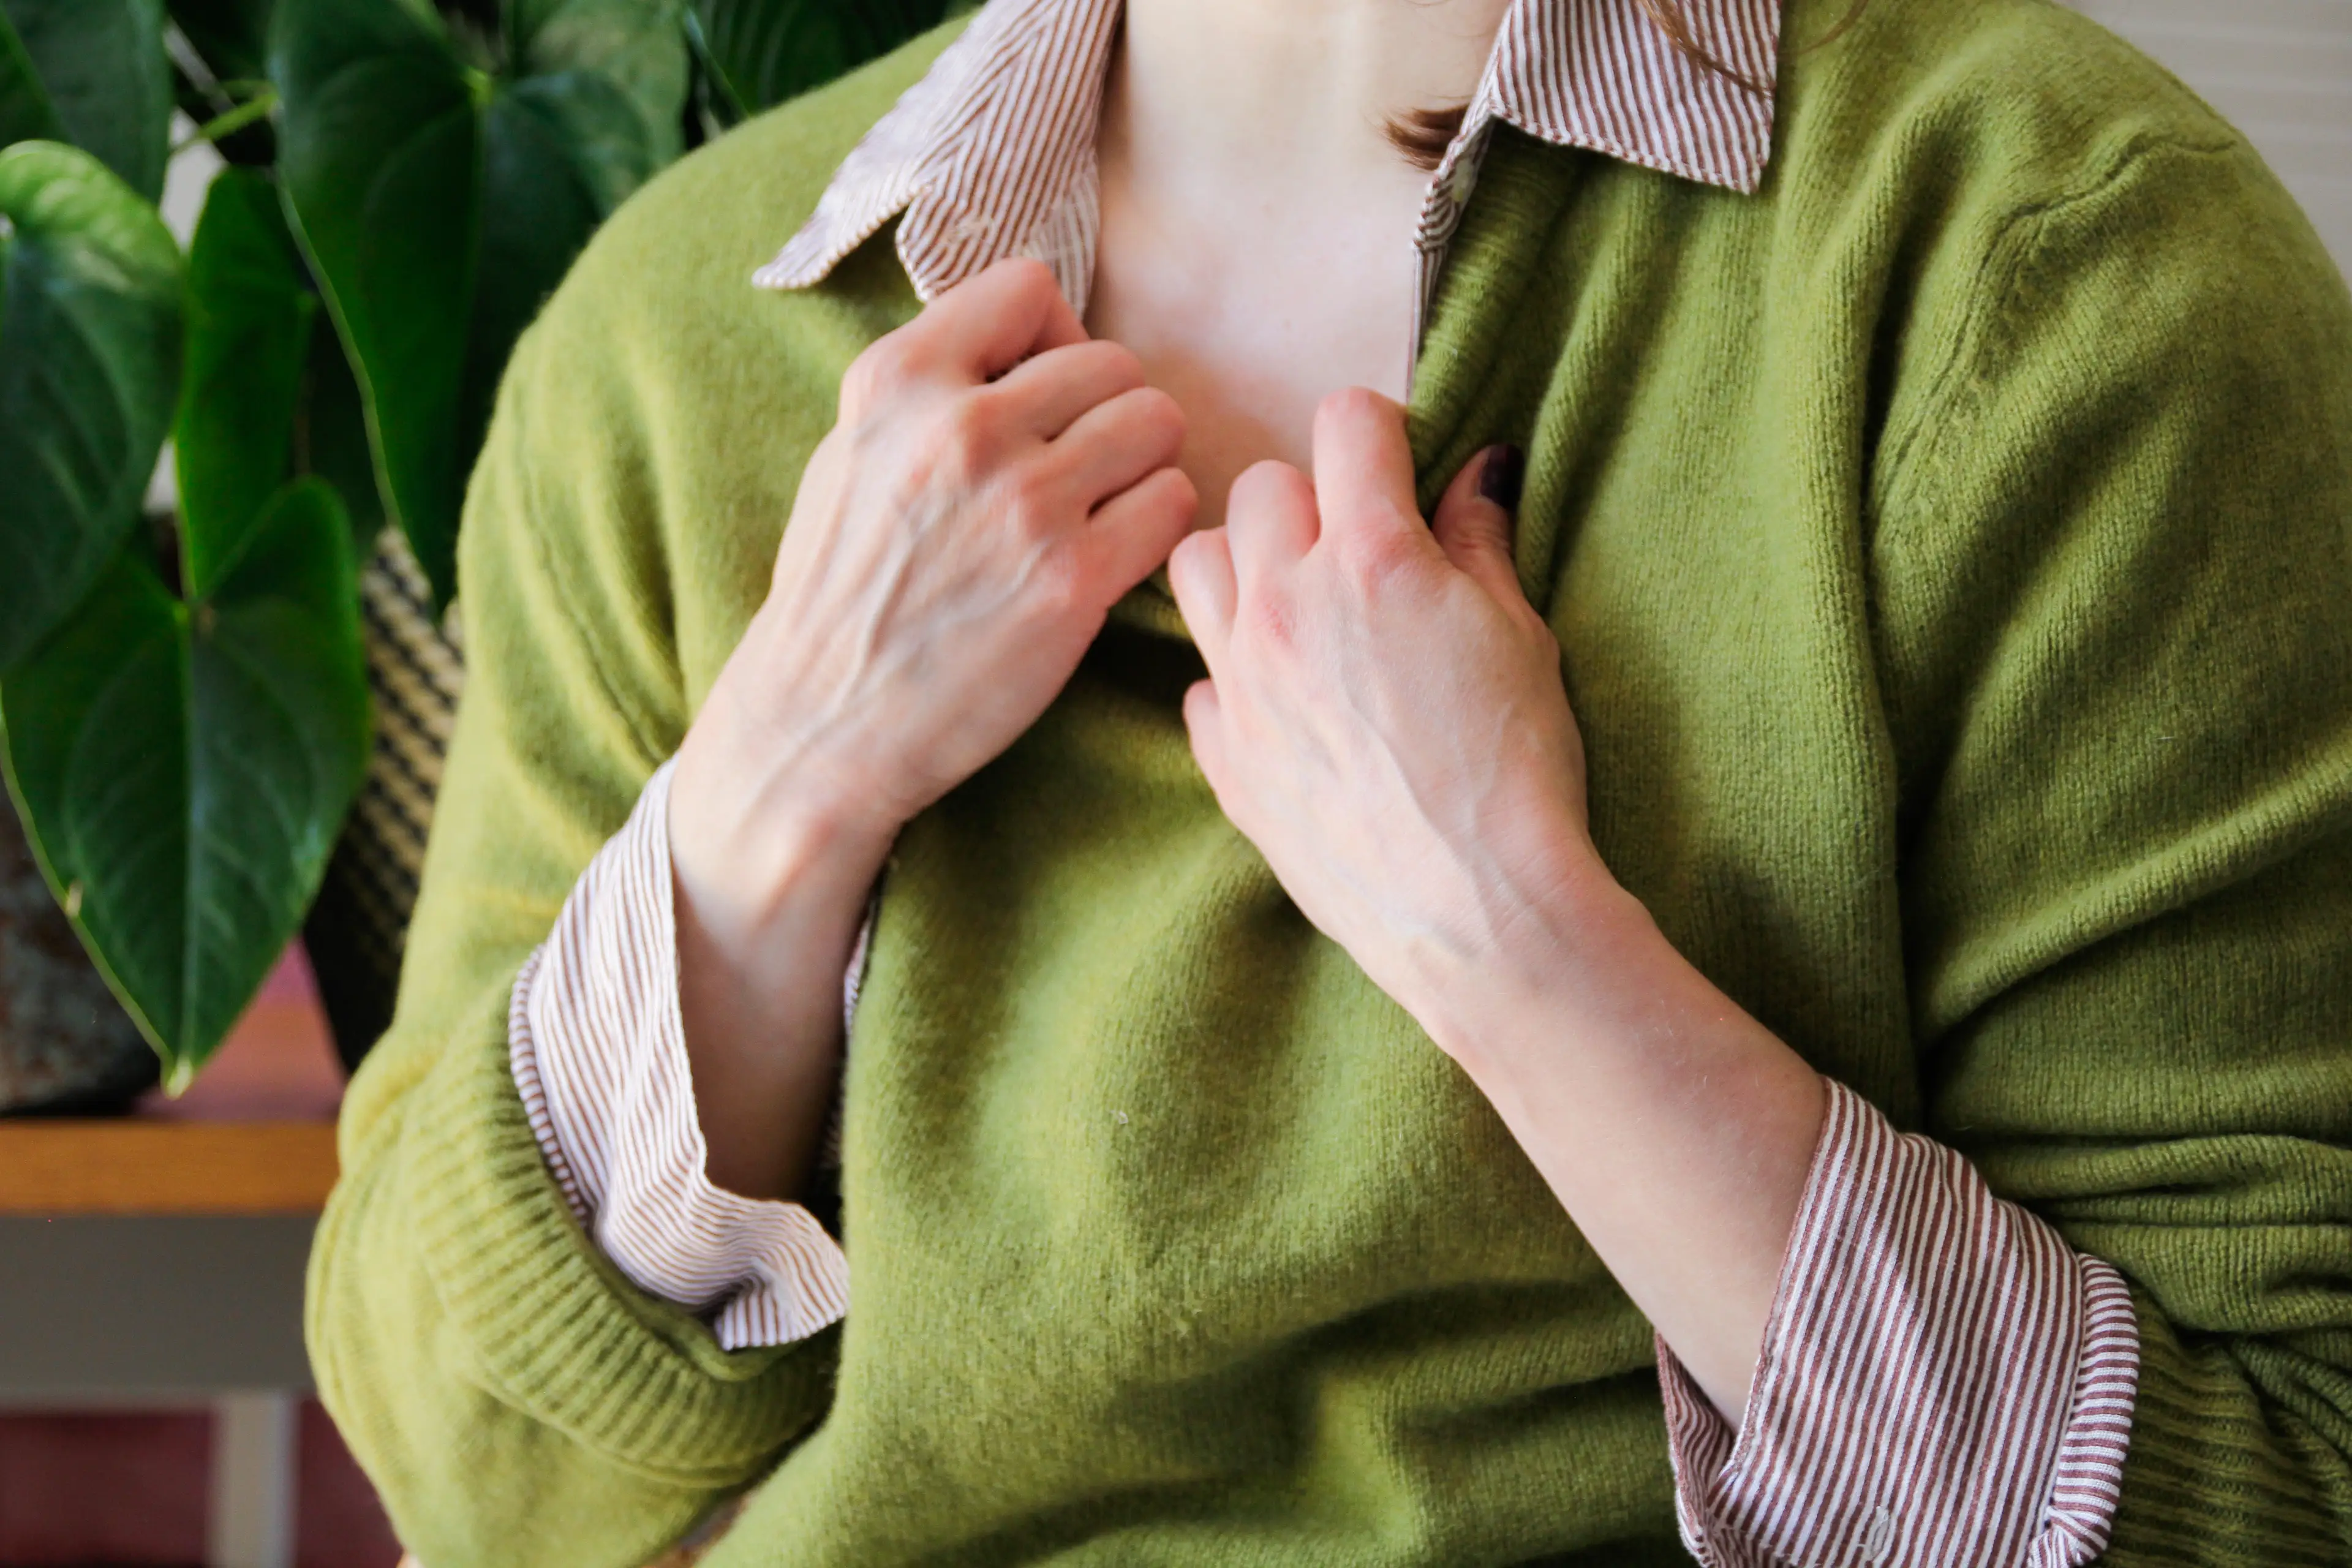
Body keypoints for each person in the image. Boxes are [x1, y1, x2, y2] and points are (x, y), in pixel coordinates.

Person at [307, 0, 2352, 1561]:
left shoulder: (2045, 272)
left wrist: (1520, 941)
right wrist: (777, 802)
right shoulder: (679, 342)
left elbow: (2284, 1485)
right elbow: (474, 1471)